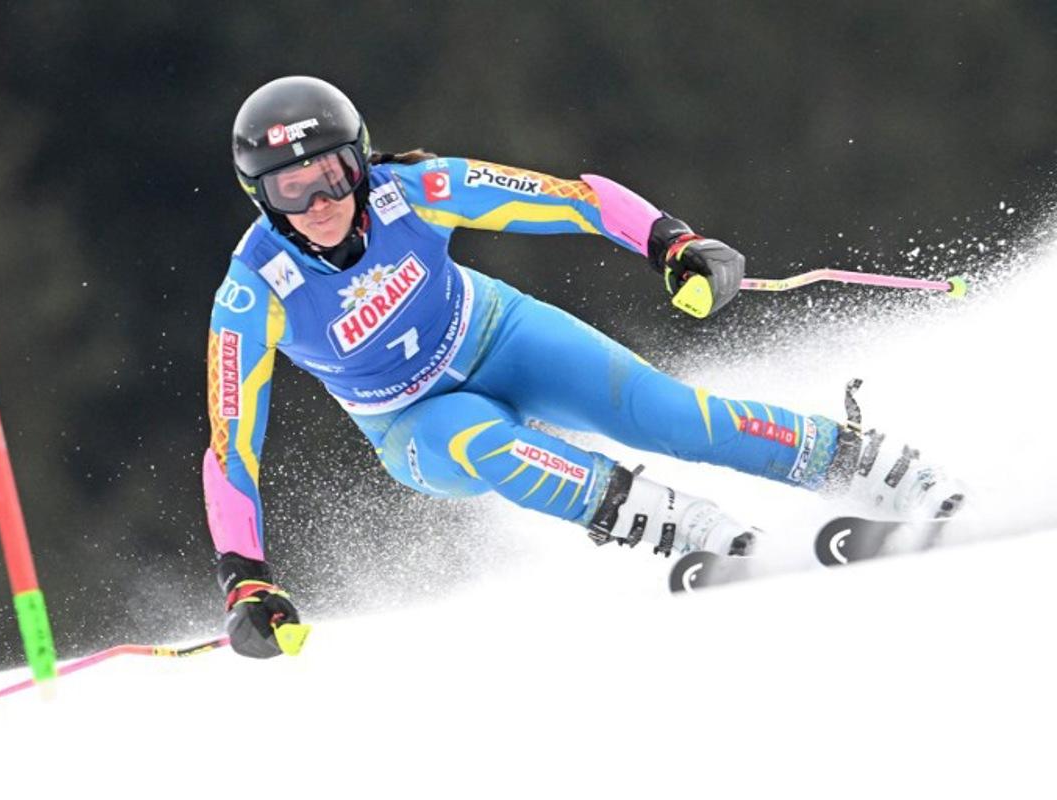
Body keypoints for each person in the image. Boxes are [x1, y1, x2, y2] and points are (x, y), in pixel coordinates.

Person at [205, 76, 964, 658]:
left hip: (497, 332)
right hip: (411, 421)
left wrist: (671, 242)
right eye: (291, 189)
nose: (320, 202)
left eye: (333, 173)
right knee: (487, 440)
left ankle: (867, 465)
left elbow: (575, 199)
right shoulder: (252, 293)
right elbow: (231, 445)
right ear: (260, 198)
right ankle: (692, 530)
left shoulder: (416, 191)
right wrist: (246, 577)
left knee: (666, 415)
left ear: (358, 157)